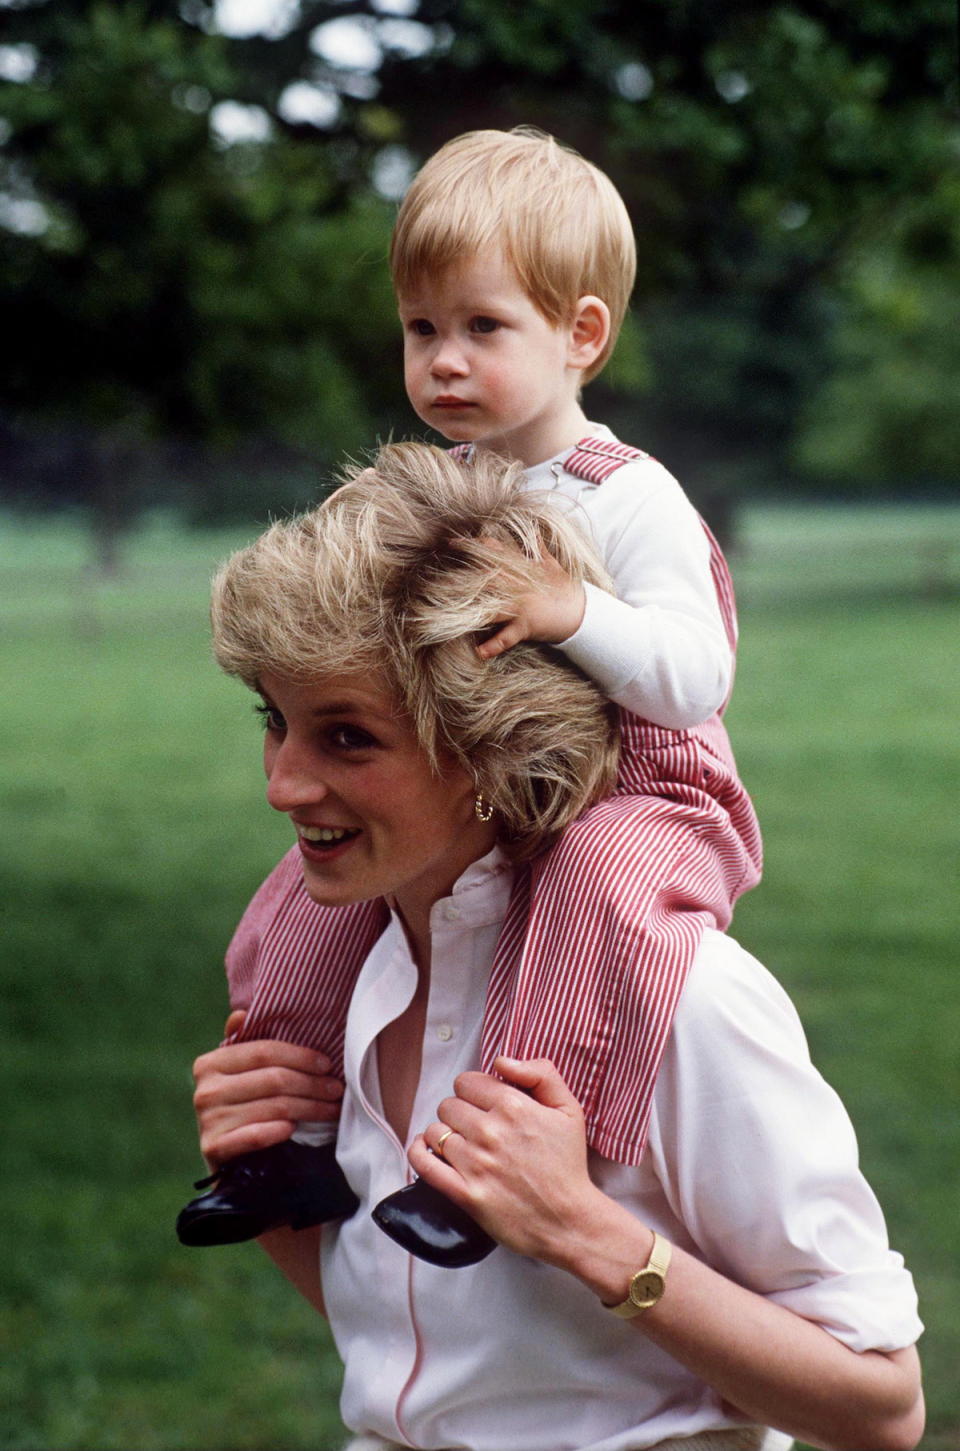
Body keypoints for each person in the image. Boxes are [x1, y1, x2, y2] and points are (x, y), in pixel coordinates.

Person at [188, 444, 923, 1451]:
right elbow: (435, 1361)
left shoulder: (680, 998)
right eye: (276, 721)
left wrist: (586, 1230)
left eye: (347, 737)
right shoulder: (353, 968)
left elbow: (882, 1405)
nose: (283, 782)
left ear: (490, 744)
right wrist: (271, 1183)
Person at [177, 126, 762, 1258]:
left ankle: (491, 1158)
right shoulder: (441, 479)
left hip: (643, 792)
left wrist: (570, 612)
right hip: (476, 774)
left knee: (594, 887)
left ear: (580, 333)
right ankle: (281, 1138)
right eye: (421, 328)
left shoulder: (625, 492)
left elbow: (695, 679)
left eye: (482, 327)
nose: (443, 360)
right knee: (297, 902)